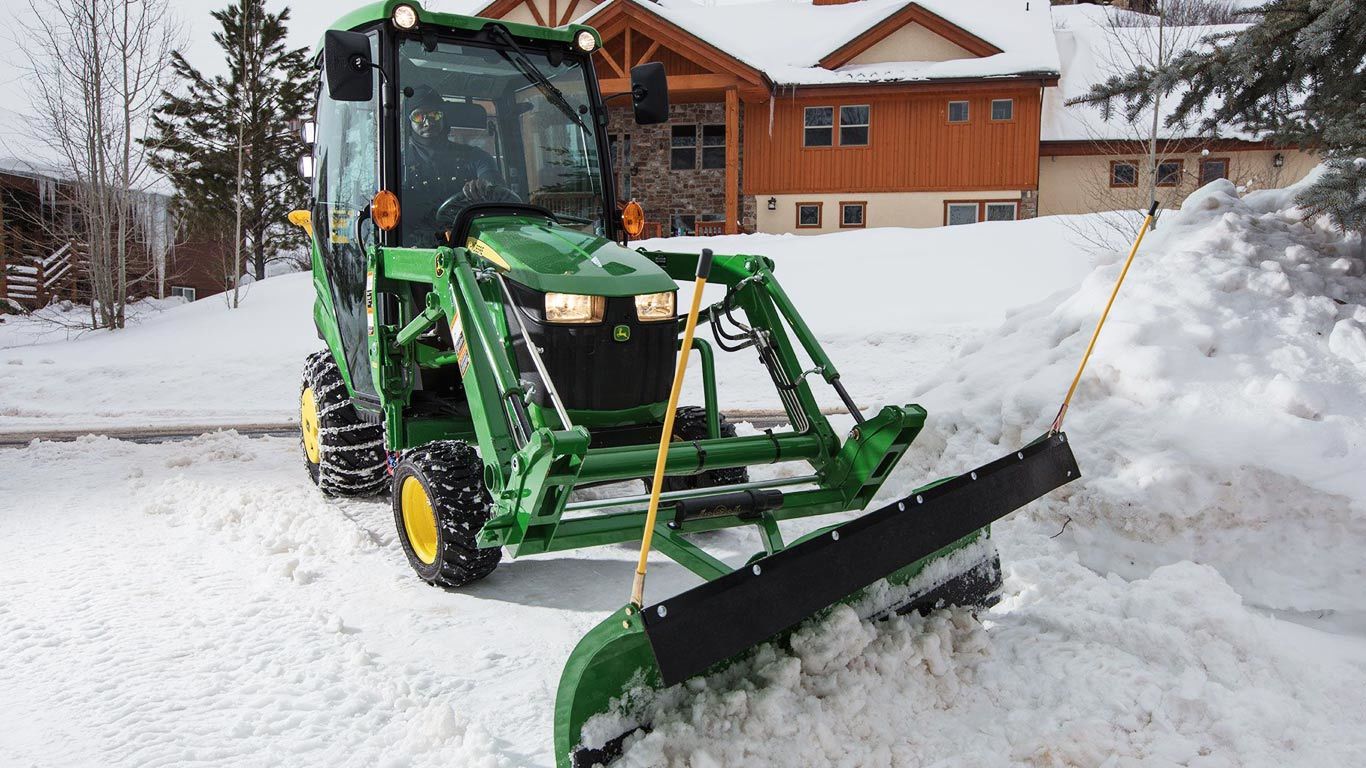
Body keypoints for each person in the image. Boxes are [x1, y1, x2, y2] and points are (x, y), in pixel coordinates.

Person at [401, 85, 513, 240]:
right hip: (416, 250)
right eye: (419, 116)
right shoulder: (396, 167)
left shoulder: (475, 157)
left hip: (473, 242)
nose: (428, 122)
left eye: (435, 114)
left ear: (444, 117)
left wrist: (486, 187)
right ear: (408, 122)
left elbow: (497, 189)